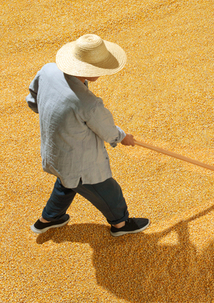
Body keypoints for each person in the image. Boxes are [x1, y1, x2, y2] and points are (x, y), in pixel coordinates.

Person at [26, 33, 150, 236]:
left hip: (54, 150)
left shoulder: (48, 70)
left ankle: (48, 218)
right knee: (108, 191)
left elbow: (33, 98)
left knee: (67, 183)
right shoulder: (88, 103)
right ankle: (120, 224)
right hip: (80, 160)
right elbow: (108, 131)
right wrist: (123, 137)